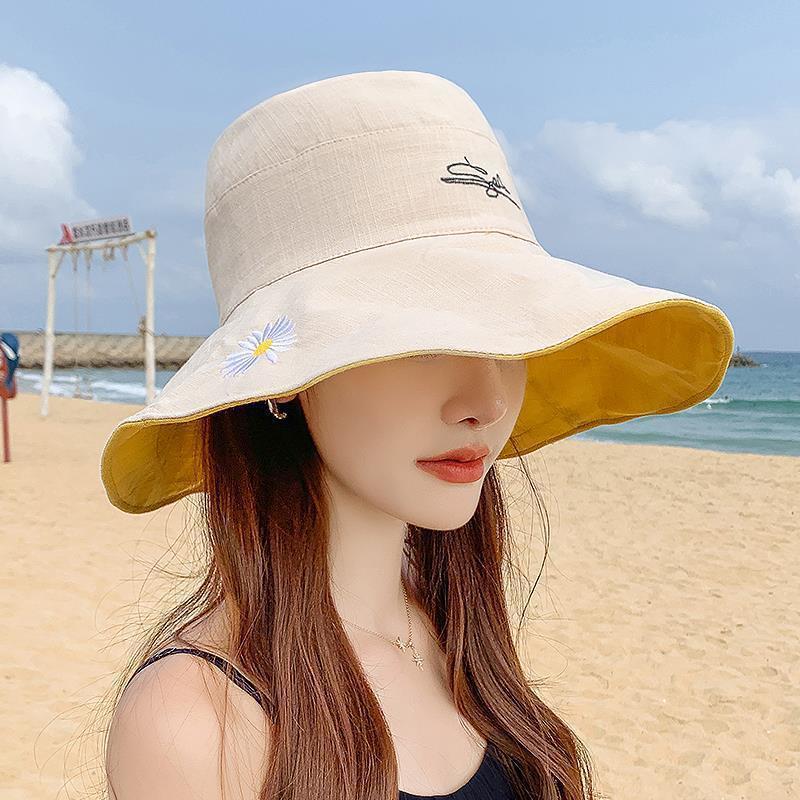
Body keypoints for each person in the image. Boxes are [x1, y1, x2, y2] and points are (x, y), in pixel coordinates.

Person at [99, 70, 734, 800]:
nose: (486, 402)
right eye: (424, 342)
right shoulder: (197, 723)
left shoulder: (451, 625)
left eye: (510, 339)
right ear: (287, 378)